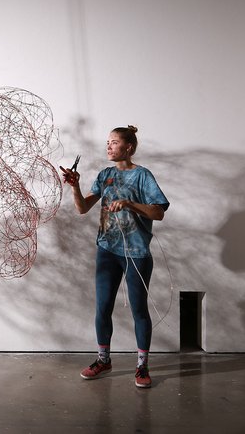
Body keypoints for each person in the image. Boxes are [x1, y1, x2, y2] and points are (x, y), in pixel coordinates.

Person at [61, 125, 169, 389]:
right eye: (107, 142)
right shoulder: (105, 174)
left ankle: (142, 366)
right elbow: (83, 209)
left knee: (139, 309)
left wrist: (130, 204)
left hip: (136, 253)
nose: (108, 146)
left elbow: (158, 213)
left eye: (114, 142)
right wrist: (75, 187)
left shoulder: (143, 176)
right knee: (103, 307)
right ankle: (103, 360)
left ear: (128, 147)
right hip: (107, 249)